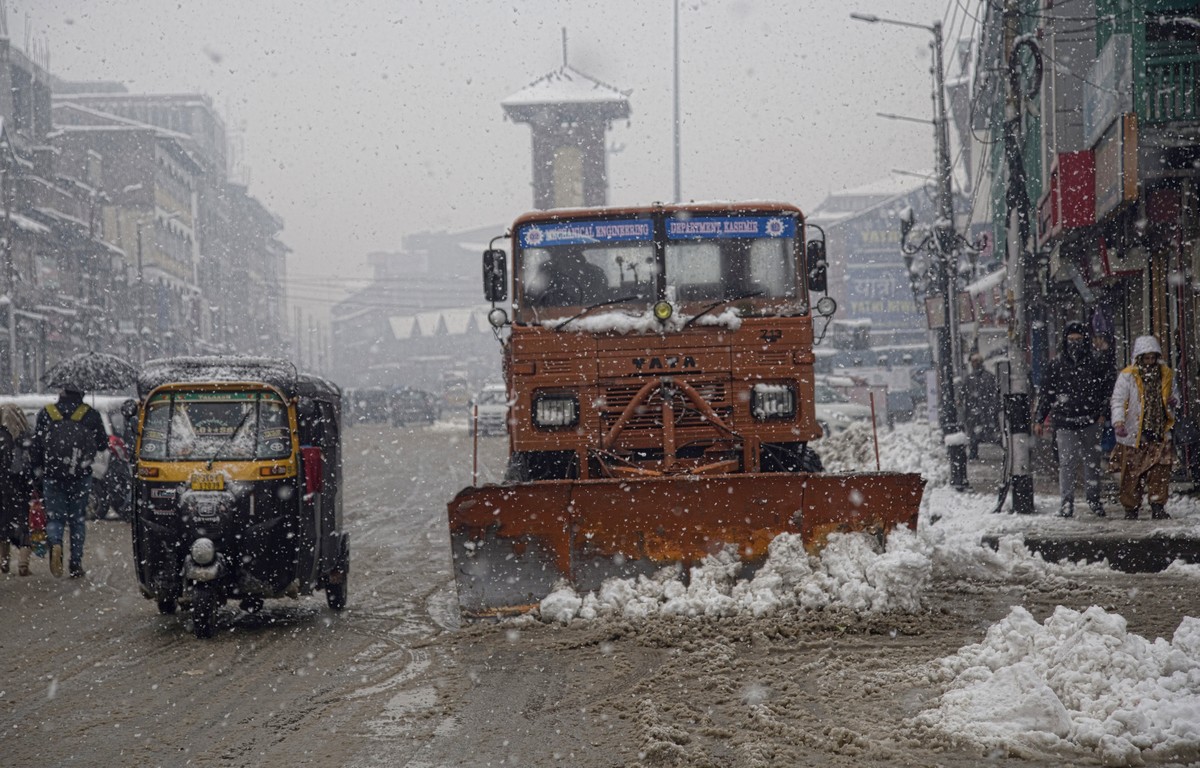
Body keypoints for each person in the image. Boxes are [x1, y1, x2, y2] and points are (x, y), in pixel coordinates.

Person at [1034, 321, 1109, 518]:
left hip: (1090, 420)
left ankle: (1093, 499)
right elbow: (1047, 394)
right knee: (1067, 463)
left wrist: (1102, 413)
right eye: (1071, 339)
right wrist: (1039, 419)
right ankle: (1066, 503)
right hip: (1065, 422)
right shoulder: (1057, 364)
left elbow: (1106, 390)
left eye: (1078, 339)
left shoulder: (1095, 362)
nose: (1074, 343)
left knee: (1092, 462)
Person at [31, 387, 108, 578]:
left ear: (61, 392)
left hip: (52, 474)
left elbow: (36, 446)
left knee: (55, 518)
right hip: (80, 474)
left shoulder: (47, 413)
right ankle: (75, 563)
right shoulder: (89, 414)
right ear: (81, 394)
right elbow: (102, 445)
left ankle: (56, 543)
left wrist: (39, 473)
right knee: (77, 520)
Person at [1110, 335, 1180, 520]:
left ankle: (1158, 505)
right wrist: (1118, 421)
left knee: (1160, 472)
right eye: (1146, 358)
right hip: (1135, 433)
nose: (1149, 362)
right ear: (1139, 358)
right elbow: (1118, 400)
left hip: (1159, 431)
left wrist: (1174, 402)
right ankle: (1131, 507)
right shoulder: (1127, 376)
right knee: (1131, 474)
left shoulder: (1166, 375)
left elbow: (1174, 395)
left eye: (1152, 357)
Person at [0, 403, 34, 576]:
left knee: (3, 523)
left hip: (2, 486)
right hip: (21, 486)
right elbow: (33, 463)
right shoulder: (26, 435)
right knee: (23, 522)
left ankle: (4, 561)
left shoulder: (1, 435)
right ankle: (23, 564)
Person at [529, 249, 608, 307]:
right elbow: (532, 301)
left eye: (569, 258)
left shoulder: (595, 274)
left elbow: (603, 299)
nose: (566, 262)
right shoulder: (547, 273)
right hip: (552, 319)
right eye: (561, 258)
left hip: (592, 316)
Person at [962, 352, 1000, 460]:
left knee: (986, 431)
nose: (974, 364)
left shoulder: (988, 377)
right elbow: (963, 392)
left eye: (975, 361)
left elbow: (994, 393)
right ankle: (974, 453)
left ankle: (976, 453)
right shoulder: (970, 378)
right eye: (973, 362)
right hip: (975, 410)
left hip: (984, 409)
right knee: (974, 434)